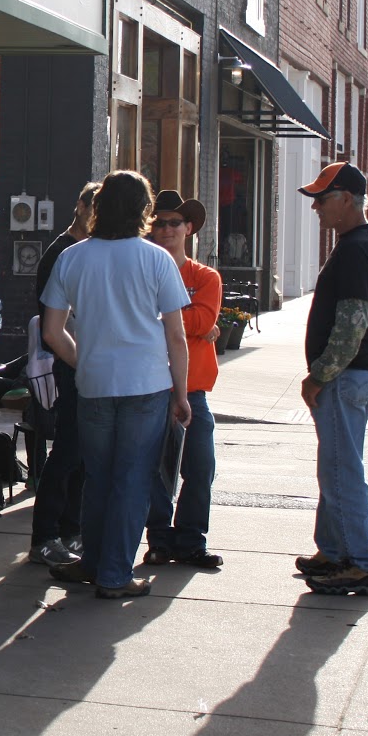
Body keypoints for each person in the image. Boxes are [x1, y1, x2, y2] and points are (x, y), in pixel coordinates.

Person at [40, 171, 190, 599]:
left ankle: (92, 561)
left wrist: (83, 360)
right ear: (144, 210)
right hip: (147, 384)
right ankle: (114, 574)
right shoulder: (157, 259)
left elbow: (52, 331)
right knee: (133, 480)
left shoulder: (73, 257)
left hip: (94, 383)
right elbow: (176, 337)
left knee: (98, 477)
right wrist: (181, 394)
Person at [294, 162, 368, 596]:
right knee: (335, 467)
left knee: (340, 471)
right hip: (357, 377)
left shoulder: (356, 248)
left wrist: (319, 376)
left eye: (323, 199)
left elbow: (352, 326)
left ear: (347, 199)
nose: (316, 207)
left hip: (347, 377)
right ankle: (334, 551)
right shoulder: (363, 243)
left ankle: (361, 563)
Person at [142, 190, 225, 569]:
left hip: (194, 389)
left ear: (188, 228)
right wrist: (185, 322)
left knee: (200, 468)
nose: (165, 229)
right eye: (158, 222)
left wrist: (167, 321)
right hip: (152, 387)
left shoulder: (205, 277)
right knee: (154, 470)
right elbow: (143, 321)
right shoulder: (142, 271)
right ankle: (159, 540)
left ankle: (191, 541)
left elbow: (204, 320)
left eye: (174, 222)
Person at [26, 181, 98, 567]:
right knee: (68, 452)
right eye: (92, 204)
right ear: (80, 205)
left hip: (86, 364)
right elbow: (53, 322)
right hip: (70, 364)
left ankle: (71, 529)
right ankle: (46, 536)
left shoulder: (88, 250)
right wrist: (78, 360)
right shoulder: (63, 253)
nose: (96, 213)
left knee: (83, 454)